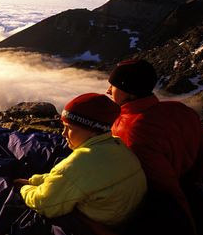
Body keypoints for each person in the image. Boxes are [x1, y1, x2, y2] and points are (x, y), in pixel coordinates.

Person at [106, 59, 203, 220]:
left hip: (159, 209)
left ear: (129, 91)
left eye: (113, 86)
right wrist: (188, 182)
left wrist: (184, 220)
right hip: (188, 185)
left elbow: (161, 186)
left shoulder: (129, 129)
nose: (108, 91)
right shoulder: (181, 110)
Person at [16, 93, 147, 226]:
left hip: (100, 227)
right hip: (123, 217)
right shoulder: (117, 145)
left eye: (69, 128)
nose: (63, 133)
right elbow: (69, 179)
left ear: (92, 130)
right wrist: (34, 180)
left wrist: (23, 188)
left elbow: (43, 204)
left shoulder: (80, 162)